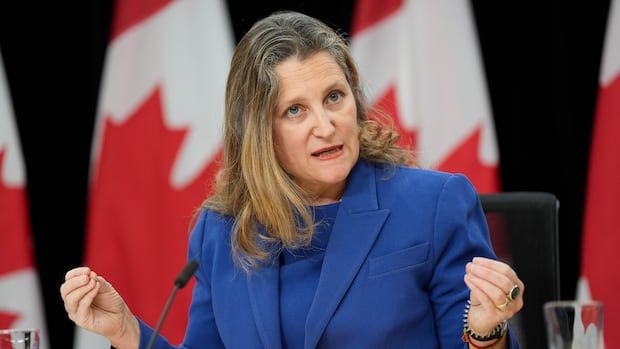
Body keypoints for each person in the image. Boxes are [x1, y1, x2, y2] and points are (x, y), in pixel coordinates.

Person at [60, 11, 524, 349]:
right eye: (295, 110)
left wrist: (487, 329)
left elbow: (475, 339)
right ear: (259, 131)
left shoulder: (434, 205)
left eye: (334, 97)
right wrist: (125, 331)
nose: (325, 125)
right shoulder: (222, 230)